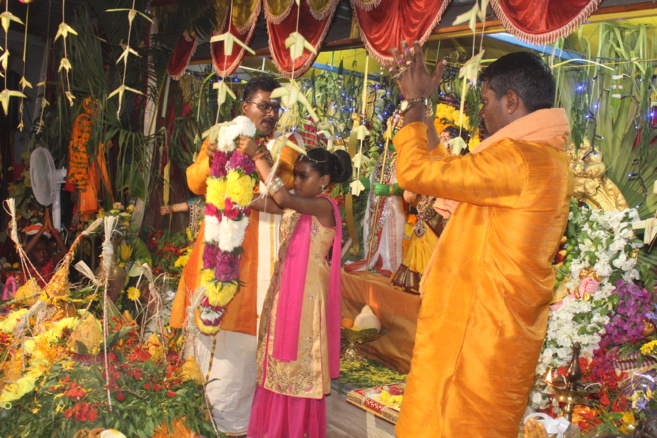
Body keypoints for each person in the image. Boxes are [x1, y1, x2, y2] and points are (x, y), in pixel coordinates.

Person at [391, 42, 573, 437]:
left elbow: (416, 173)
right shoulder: (547, 158)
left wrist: (417, 102)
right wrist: (425, 116)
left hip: (472, 339)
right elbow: (451, 173)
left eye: (486, 100)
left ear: (511, 101)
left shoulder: (518, 159)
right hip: (492, 333)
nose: (482, 112)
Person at [169, 75, 302, 436]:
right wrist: (212, 157)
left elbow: (285, 189)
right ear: (245, 107)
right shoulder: (220, 137)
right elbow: (196, 182)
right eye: (264, 105)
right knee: (198, 352)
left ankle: (232, 428)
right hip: (211, 256)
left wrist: (257, 154)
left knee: (237, 361)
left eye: (276, 107)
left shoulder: (287, 145)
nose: (271, 113)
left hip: (256, 269)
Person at [235, 142, 351, 437]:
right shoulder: (298, 203)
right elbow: (265, 201)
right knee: (276, 367)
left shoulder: (324, 206)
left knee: (297, 369)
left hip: (306, 302)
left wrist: (258, 157)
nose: (296, 182)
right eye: (296, 175)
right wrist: (233, 193)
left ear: (323, 181)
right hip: (285, 295)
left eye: (303, 176)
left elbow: (281, 196)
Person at [22, 212, 67, 288]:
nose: (42, 254)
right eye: (37, 250)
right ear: (31, 252)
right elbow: (24, 252)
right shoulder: (26, 266)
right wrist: (42, 230)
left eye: (45, 250)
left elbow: (65, 253)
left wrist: (53, 230)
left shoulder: (50, 265)